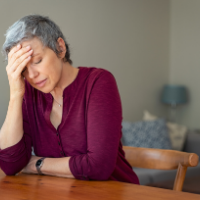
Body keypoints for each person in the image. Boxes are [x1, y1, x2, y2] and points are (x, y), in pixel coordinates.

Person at [0, 15, 139, 184]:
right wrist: (15, 95)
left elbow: (99, 166)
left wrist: (36, 163)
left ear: (60, 48)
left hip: (115, 192)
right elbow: (10, 165)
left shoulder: (98, 82)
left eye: (37, 61)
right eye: (23, 70)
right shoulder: (29, 93)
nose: (31, 75)